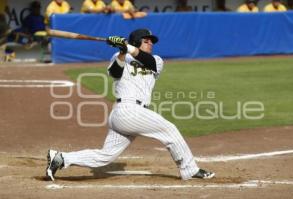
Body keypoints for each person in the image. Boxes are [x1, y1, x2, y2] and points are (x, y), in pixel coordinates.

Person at [46, 28, 215, 181]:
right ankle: (190, 169)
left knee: (106, 156)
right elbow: (114, 72)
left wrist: (126, 47)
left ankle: (61, 158)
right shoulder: (122, 57)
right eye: (146, 40)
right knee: (169, 129)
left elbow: (147, 61)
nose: (151, 43)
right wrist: (121, 51)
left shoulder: (156, 60)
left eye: (152, 41)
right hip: (127, 110)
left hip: (132, 115)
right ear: (136, 42)